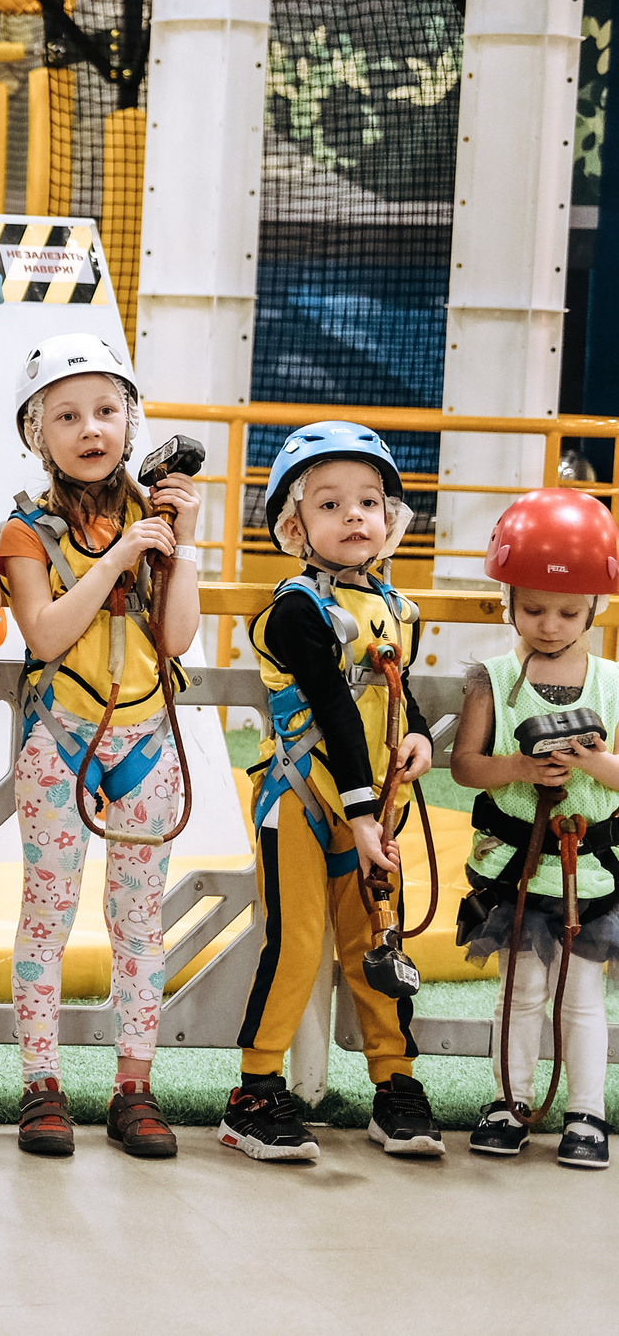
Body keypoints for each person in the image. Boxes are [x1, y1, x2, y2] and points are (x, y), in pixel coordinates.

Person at [0, 335, 199, 1159]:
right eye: (66, 415)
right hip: (61, 737)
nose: (91, 429)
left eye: (107, 411)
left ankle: (134, 1086)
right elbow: (43, 634)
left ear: (130, 420)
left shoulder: (156, 524)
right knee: (47, 916)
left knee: (140, 925)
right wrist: (120, 550)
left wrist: (184, 540)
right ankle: (41, 1083)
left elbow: (176, 636)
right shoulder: (24, 530)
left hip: (147, 736)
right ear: (36, 432)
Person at [231, 421, 442, 1163]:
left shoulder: (392, 604)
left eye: (368, 501)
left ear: (390, 518)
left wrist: (417, 731)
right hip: (301, 802)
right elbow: (335, 709)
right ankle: (255, 1089)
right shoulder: (296, 609)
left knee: (375, 941)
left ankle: (395, 1083)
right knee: (297, 943)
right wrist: (359, 817)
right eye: (329, 504)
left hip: (371, 809)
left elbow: (392, 691)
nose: (354, 515)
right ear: (295, 525)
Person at [451, 487, 619, 1171]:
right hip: (515, 869)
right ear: (507, 601)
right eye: (533, 608)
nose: (549, 624)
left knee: (581, 998)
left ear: (595, 609)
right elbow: (464, 765)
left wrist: (594, 762)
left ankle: (587, 1111)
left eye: (568, 611)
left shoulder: (610, 682)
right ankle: (508, 1101)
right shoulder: (492, 678)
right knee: (520, 991)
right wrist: (519, 765)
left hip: (590, 869)